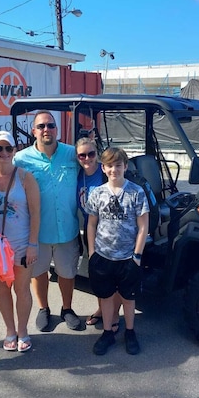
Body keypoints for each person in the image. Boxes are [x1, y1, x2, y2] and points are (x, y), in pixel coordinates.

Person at [13, 110, 81, 331]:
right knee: (39, 272)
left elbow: (94, 166)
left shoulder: (73, 154)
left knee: (67, 273)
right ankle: (44, 308)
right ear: (34, 131)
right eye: (41, 126)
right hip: (38, 233)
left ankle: (67, 308)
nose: (46, 130)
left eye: (50, 125)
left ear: (57, 129)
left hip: (67, 229)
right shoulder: (21, 159)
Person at [86, 147, 149, 355]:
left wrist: (137, 257)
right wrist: (92, 253)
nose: (114, 169)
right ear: (103, 168)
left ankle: (130, 332)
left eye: (118, 165)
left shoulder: (136, 192)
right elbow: (92, 224)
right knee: (105, 296)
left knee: (128, 298)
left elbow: (143, 227)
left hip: (128, 258)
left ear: (125, 166)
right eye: (110, 165)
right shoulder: (97, 193)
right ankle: (107, 332)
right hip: (103, 256)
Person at [0, 131, 40, 352]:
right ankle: (10, 331)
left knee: (22, 290)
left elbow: (36, 213)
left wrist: (33, 245)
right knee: (2, 290)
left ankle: (23, 331)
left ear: (14, 151)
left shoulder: (25, 178)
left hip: (22, 246)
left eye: (8, 148)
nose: (3, 153)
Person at [76, 137, 121, 332]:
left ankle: (115, 315)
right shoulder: (77, 175)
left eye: (91, 154)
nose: (87, 158)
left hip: (112, 232)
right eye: (82, 155)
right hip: (91, 229)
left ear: (97, 155)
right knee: (98, 274)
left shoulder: (105, 174)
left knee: (116, 276)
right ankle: (102, 309)